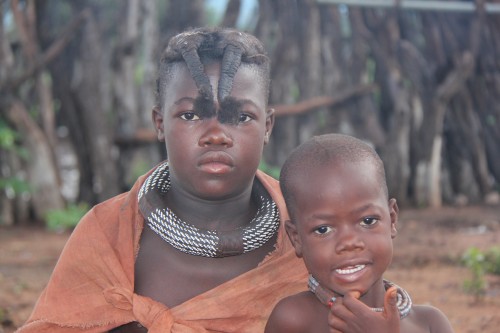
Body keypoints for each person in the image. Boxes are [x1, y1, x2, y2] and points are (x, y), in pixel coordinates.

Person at [17, 27, 308, 333]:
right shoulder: (106, 234)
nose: (216, 135)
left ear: (267, 126)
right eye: (190, 115)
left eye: (241, 117)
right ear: (159, 123)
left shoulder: (308, 237)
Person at [265, 134, 455, 333]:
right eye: (323, 230)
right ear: (297, 239)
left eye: (368, 221)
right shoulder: (294, 320)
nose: (349, 242)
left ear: (392, 219)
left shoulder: (430, 323)